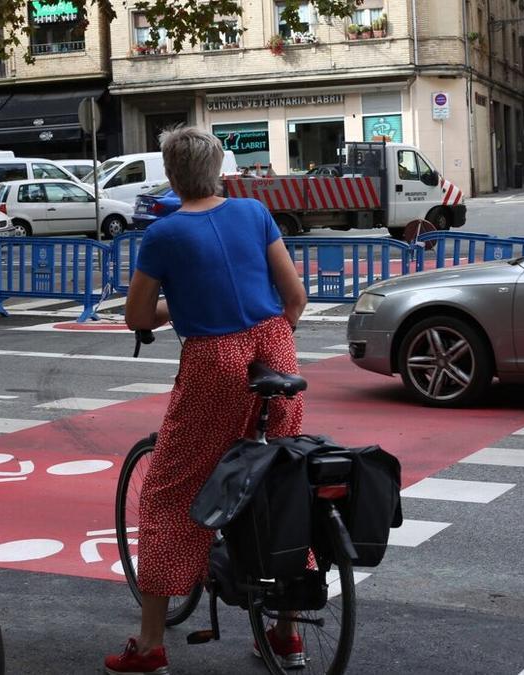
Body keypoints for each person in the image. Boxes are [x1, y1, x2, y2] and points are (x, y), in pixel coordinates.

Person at [106, 127, 308, 675]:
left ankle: (150, 644)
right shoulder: (254, 213)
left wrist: (183, 311)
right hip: (275, 351)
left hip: (214, 361)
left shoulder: (164, 234)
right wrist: (269, 341)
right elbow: (295, 298)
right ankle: (288, 635)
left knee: (170, 492)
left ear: (171, 176)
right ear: (220, 169)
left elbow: (137, 318)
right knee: (278, 482)